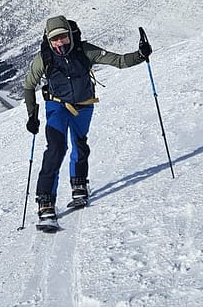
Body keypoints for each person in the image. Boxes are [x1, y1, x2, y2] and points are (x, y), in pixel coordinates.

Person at [23, 14, 151, 225]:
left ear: (70, 34)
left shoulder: (85, 50)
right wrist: (32, 115)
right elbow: (29, 86)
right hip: (57, 106)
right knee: (56, 149)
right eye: (55, 39)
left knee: (80, 144)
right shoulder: (43, 58)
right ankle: (45, 201)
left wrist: (140, 55)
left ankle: (79, 184)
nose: (60, 42)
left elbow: (118, 61)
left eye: (63, 37)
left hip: (84, 105)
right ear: (48, 39)